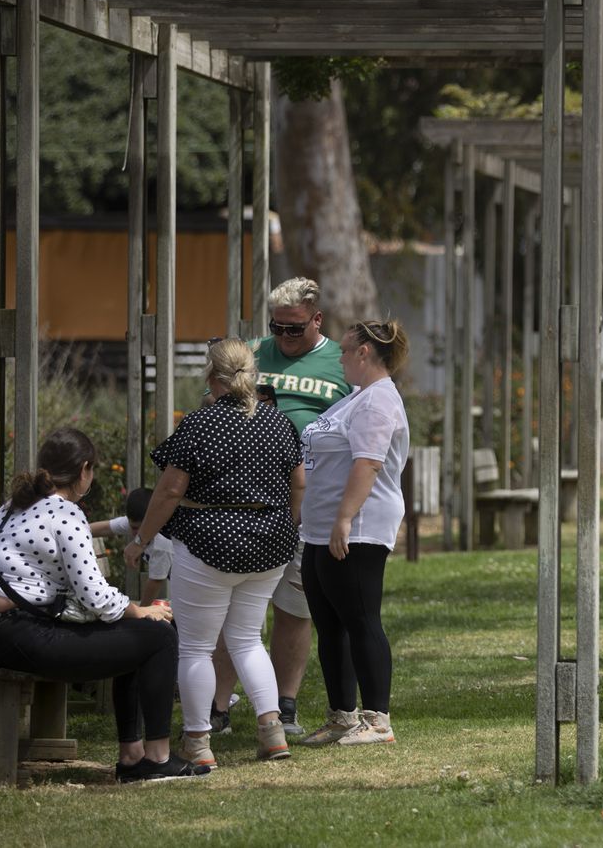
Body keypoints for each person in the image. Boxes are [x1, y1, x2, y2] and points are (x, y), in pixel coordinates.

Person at [0, 428, 200, 783]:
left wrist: (129, 613)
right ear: (84, 470)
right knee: (159, 636)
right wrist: (140, 609)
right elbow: (95, 596)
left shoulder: (13, 505)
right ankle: (154, 758)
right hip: (22, 634)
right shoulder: (66, 512)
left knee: (133, 634)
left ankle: (134, 756)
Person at [131, 338, 306, 769]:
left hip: (208, 542)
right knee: (248, 638)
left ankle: (198, 743)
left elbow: (170, 490)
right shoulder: (279, 422)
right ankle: (272, 730)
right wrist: (287, 520)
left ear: (212, 375)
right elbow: (299, 483)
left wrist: (141, 540)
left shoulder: (201, 423)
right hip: (269, 544)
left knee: (195, 647)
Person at [211, 277, 351, 738]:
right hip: (246, 498)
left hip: (310, 502)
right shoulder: (251, 352)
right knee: (231, 611)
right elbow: (213, 405)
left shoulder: (341, 363)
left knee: (295, 607)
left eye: (294, 329)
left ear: (316, 319)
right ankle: (219, 706)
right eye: (277, 328)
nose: (284, 338)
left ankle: (283, 706)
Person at [299, 320, 411, 747]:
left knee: (361, 619)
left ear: (365, 352)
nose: (339, 358)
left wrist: (344, 518)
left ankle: (378, 719)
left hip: (358, 526)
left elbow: (368, 464)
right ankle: (342, 715)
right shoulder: (355, 398)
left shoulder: (379, 401)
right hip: (321, 526)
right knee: (330, 625)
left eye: (345, 351)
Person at [91, 486, 172, 606]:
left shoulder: (162, 542)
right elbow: (105, 528)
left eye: (140, 528)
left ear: (152, 520)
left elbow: (155, 582)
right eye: (133, 527)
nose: (137, 533)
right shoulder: (137, 523)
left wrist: (141, 612)